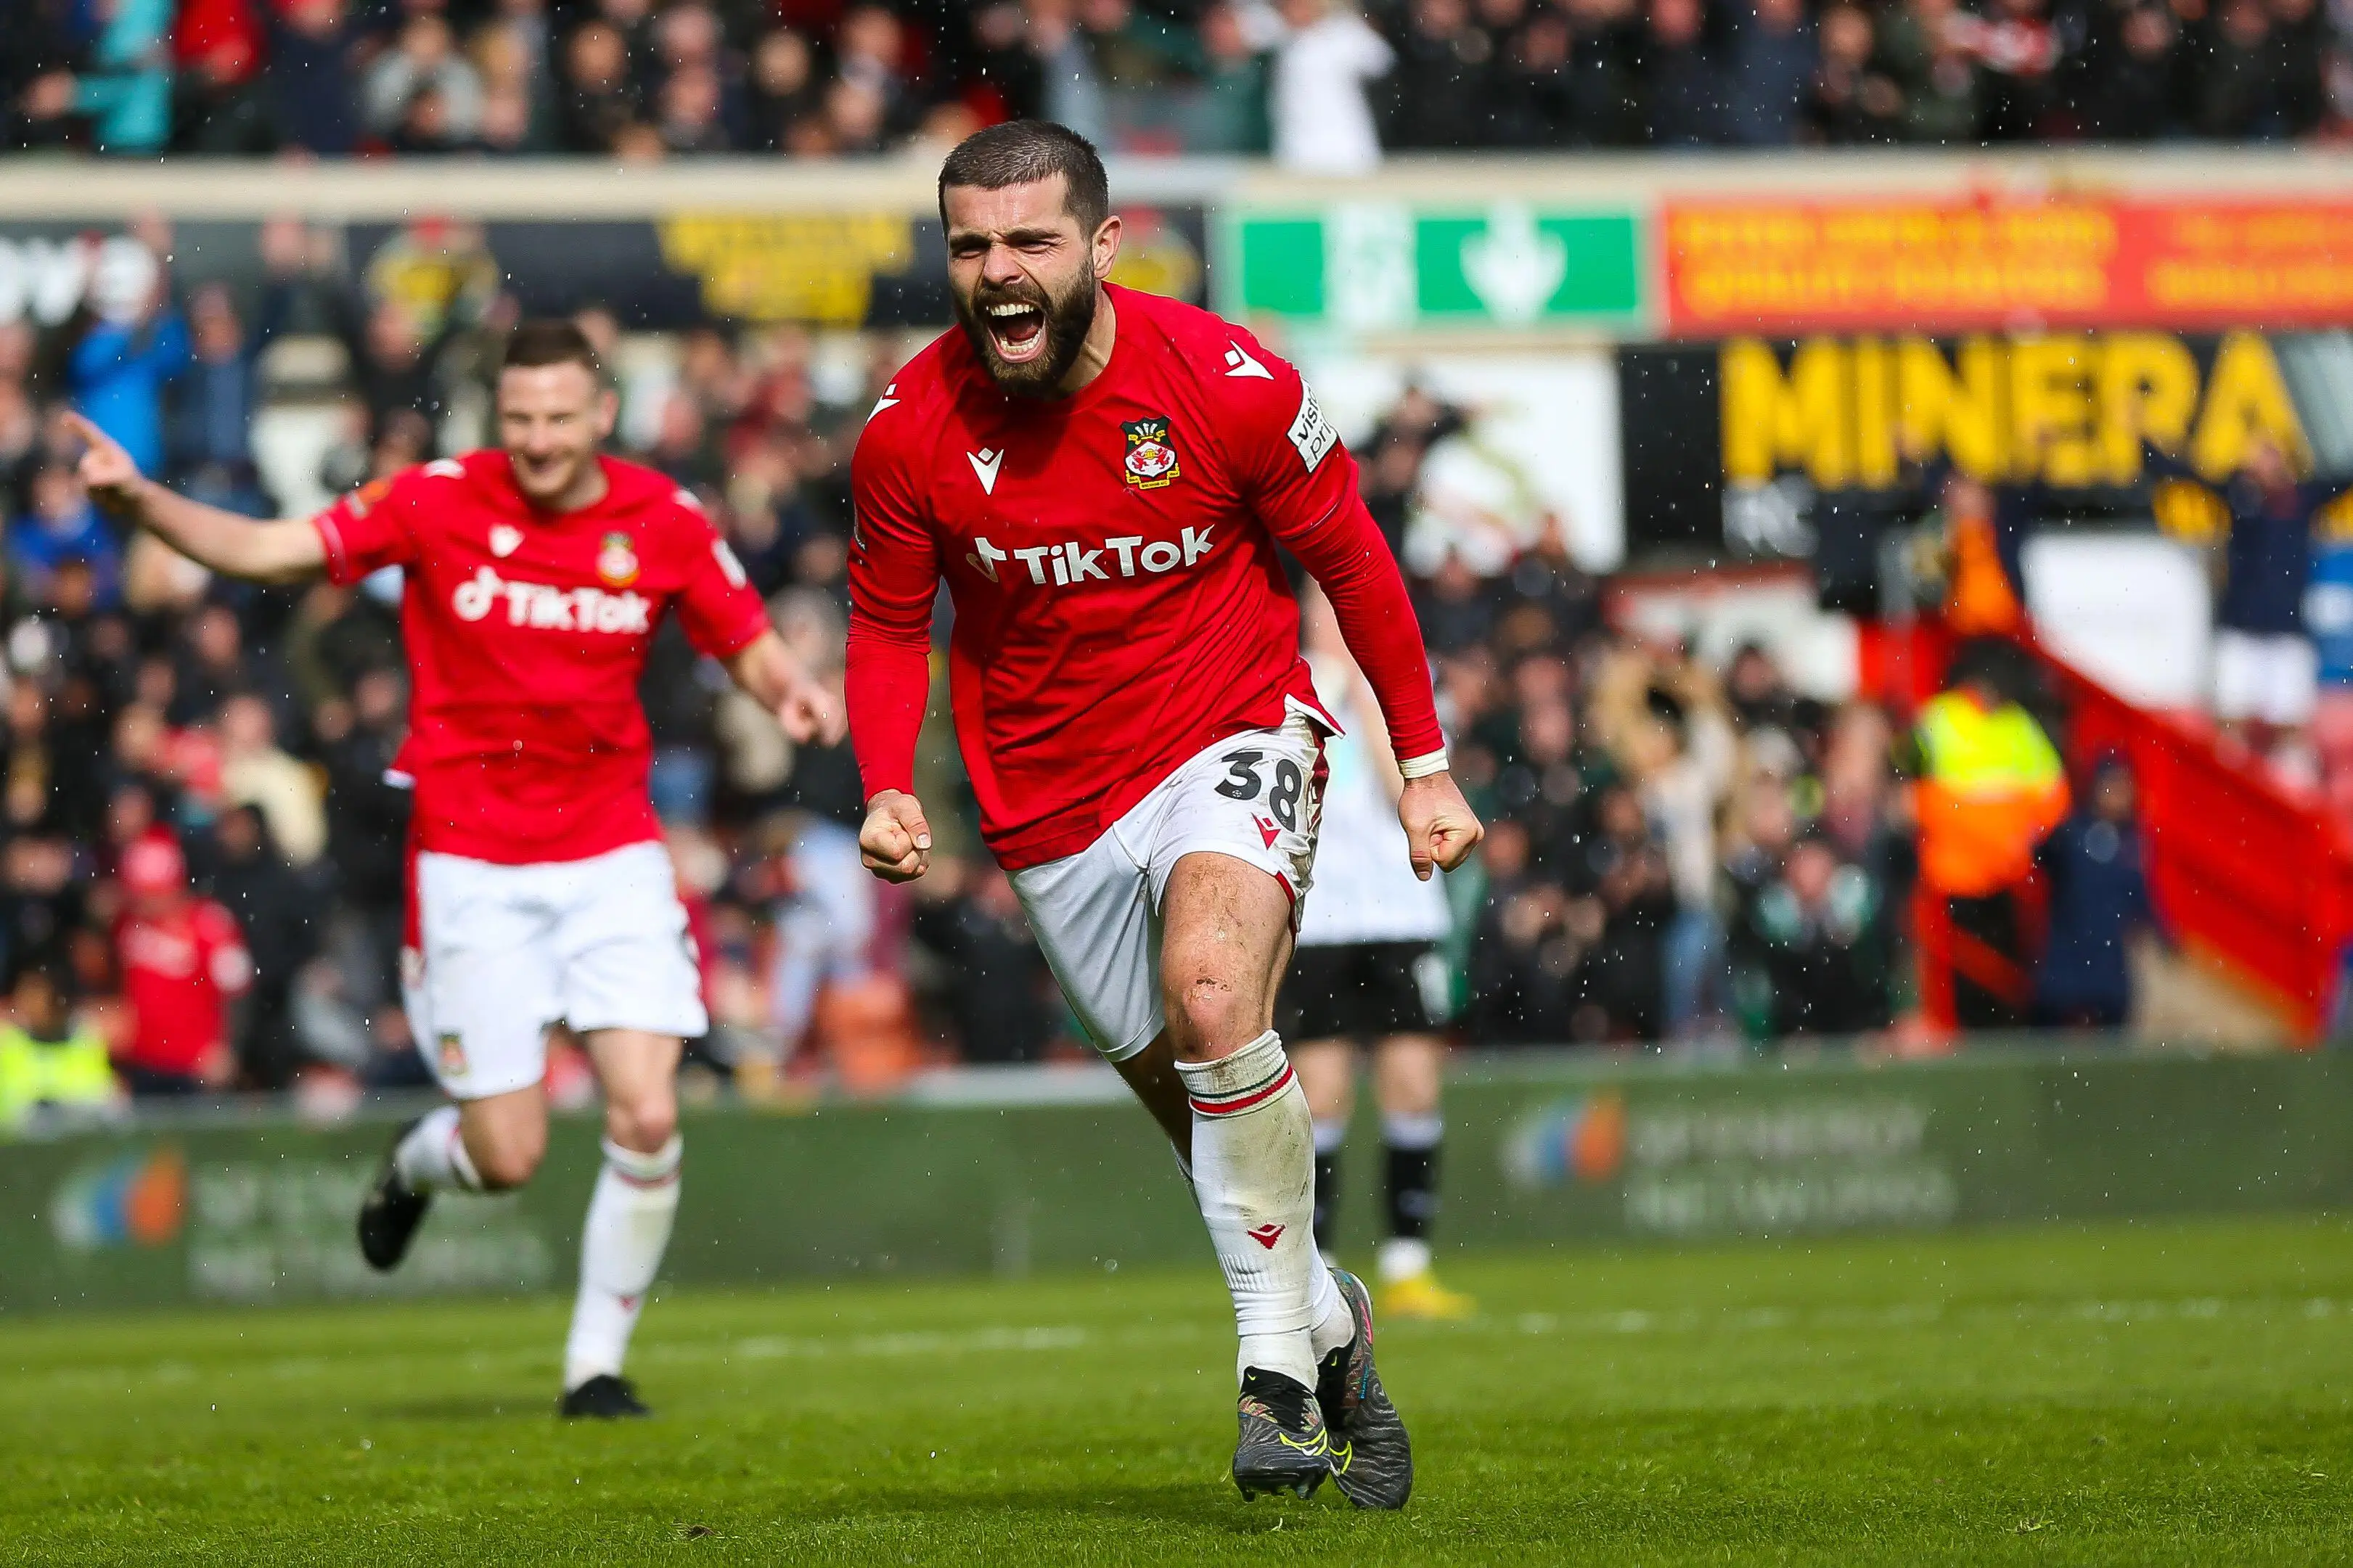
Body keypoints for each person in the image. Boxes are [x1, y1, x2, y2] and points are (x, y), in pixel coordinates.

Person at [848, 122, 1482, 1507]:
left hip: (1231, 728)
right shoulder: (907, 431)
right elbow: (891, 621)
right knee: (1205, 1128)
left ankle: (1270, 1378)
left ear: (1102, 245)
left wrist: (1421, 762)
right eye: (969, 246)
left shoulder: (1225, 381)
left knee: (1214, 999)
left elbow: (1356, 570)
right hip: (1047, 807)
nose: (997, 273)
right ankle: (1330, 1319)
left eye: (1029, 242)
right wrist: (888, 779)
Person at [65, 319, 839, 1420]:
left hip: (612, 852)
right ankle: (420, 1161)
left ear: (602, 413)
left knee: (649, 1114)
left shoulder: (661, 518)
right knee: (507, 1153)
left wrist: (788, 692)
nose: (537, 439)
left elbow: (742, 634)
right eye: (518, 418)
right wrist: (141, 503)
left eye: (559, 417)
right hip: (471, 867)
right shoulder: (435, 501)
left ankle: (594, 1368)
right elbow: (271, 549)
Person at [1279, 584, 1474, 1321]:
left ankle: (1407, 1265)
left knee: (1414, 1082)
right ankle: (1317, 1270)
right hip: (1321, 917)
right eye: (1324, 606)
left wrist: (1366, 696)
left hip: (1401, 909)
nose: (1334, 620)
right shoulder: (1286, 685)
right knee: (1319, 1092)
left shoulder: (1407, 687)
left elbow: (1415, 793)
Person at [1904, 639, 2069, 1031]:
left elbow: (2054, 796)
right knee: (1961, 983)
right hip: (1954, 880)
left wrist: (2025, 842)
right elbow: (1910, 789)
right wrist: (1985, 841)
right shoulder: (1939, 719)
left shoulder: (2019, 727)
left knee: (2011, 981)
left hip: (2009, 882)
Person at [110, 832, 252, 1096]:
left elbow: (239, 991)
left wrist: (229, 1049)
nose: (146, 903)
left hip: (195, 1066)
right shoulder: (129, 925)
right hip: (142, 1062)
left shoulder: (210, 924)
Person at [0, 965, 123, 1135]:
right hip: (16, 1153)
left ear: (56, 997)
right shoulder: (7, 1041)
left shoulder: (86, 1039)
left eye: (35, 993)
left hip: (77, 1152)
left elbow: (107, 1102)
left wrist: (59, 1109)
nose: (25, 1000)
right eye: (22, 991)